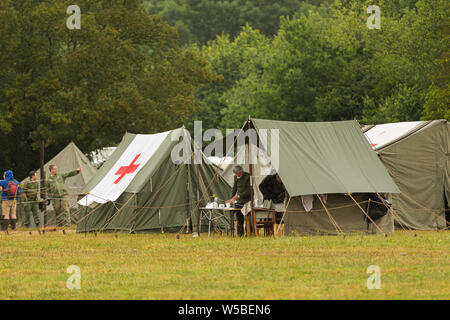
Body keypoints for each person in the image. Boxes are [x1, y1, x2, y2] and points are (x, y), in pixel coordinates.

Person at [225, 165, 251, 236]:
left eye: (236, 173)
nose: (236, 175)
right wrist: (231, 198)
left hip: (247, 200)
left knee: (248, 216)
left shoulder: (248, 177)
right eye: (235, 174)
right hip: (239, 201)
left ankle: (249, 232)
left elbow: (249, 190)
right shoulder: (236, 177)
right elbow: (234, 188)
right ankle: (240, 233)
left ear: (241, 172)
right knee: (239, 216)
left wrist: (238, 196)